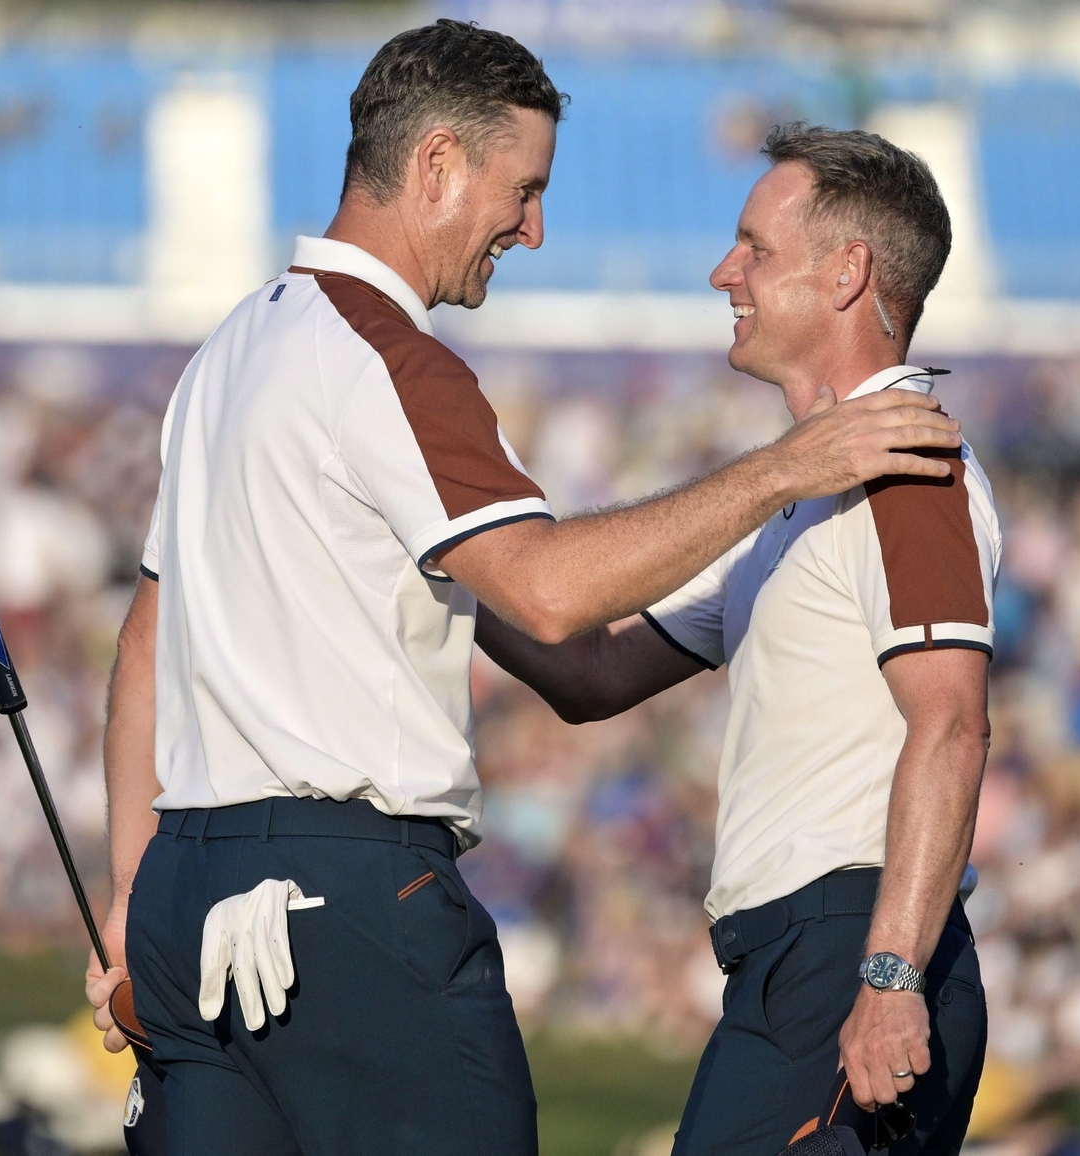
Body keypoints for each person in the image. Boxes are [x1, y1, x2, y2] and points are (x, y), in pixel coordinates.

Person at [82, 22, 962, 1156]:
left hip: (181, 897)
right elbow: (547, 593)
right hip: (345, 902)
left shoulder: (224, 356)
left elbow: (146, 646)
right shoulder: (395, 360)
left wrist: (129, 888)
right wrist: (793, 464)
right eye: (524, 189)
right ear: (437, 164)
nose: (532, 229)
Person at [477, 124, 997, 1155]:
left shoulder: (908, 462)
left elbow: (952, 723)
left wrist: (887, 977)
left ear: (848, 272)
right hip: (798, 959)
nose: (725, 272)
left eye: (754, 247)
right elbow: (593, 672)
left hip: (852, 948)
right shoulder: (803, 487)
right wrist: (443, 570)